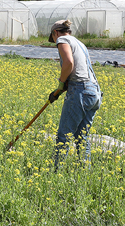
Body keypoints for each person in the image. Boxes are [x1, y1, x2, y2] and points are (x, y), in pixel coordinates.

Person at [48, 19, 102, 170]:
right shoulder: (79, 43)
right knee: (81, 136)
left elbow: (69, 63)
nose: (55, 41)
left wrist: (60, 83)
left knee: (63, 136)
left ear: (55, 33)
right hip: (94, 92)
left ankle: (55, 172)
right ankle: (85, 171)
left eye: (53, 38)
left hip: (81, 91)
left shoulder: (62, 39)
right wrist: (60, 90)